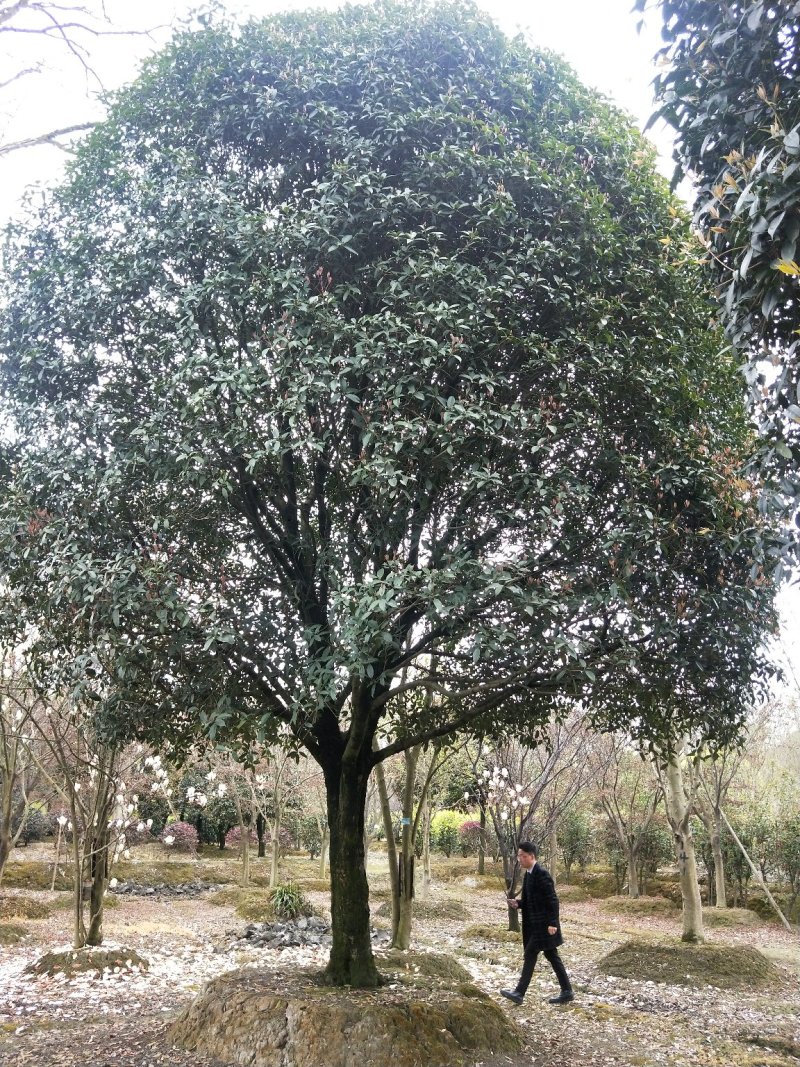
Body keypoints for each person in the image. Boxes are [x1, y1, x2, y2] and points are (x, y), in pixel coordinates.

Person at [500, 841, 574, 1006]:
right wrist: (517, 904)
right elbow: (529, 901)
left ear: (532, 856)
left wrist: (553, 923)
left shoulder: (542, 874)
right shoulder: (529, 874)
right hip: (535, 925)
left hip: (545, 926)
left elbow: (553, 901)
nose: (520, 859)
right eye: (519, 856)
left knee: (530, 953)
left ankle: (519, 992)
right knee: (551, 955)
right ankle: (567, 991)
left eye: (523, 856)